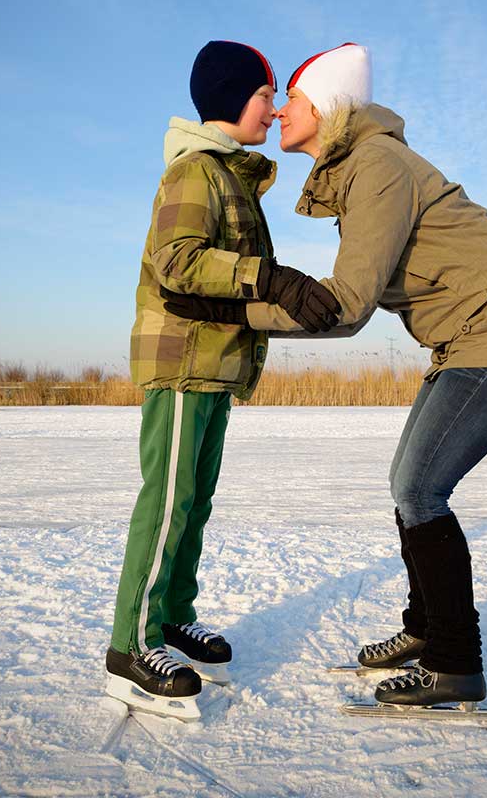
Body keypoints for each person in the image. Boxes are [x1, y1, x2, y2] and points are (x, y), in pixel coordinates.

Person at [166, 41, 487, 711]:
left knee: (420, 487)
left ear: (326, 106)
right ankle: (424, 631)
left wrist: (229, 312)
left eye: (290, 100)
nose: (277, 114)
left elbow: (346, 306)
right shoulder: (361, 167)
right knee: (410, 484)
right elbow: (349, 310)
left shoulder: (375, 164)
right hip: (475, 336)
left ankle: (454, 662)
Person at [105, 40, 340, 720]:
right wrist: (266, 276)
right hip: (181, 364)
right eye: (266, 97)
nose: (273, 110)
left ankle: (172, 617)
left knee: (195, 502)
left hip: (213, 365)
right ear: (233, 97)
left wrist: (286, 294)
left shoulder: (231, 177)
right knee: (167, 502)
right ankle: (129, 649)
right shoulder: (193, 173)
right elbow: (177, 262)